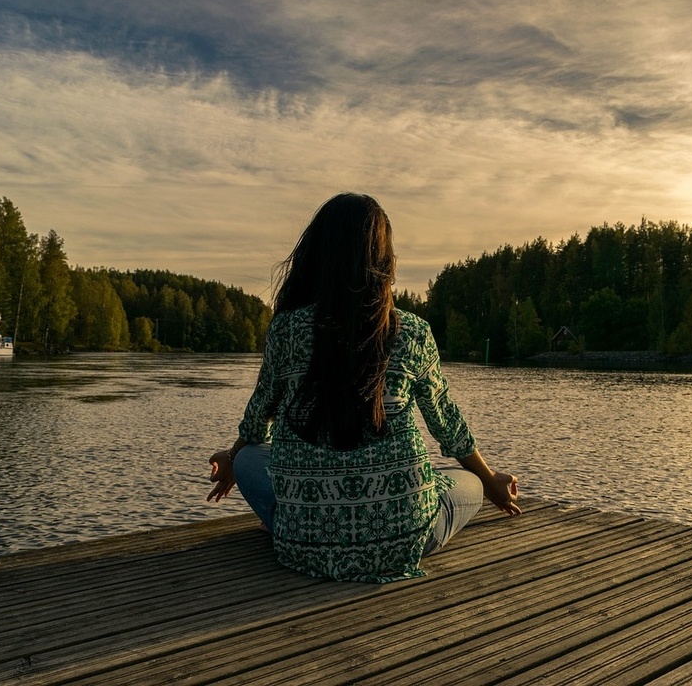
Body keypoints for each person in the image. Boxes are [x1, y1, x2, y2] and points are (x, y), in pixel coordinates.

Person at [207, 193, 520, 583]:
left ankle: (301, 523)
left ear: (316, 255)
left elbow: (258, 419)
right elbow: (447, 426)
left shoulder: (286, 329)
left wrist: (234, 457)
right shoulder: (413, 332)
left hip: (303, 547)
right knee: (468, 481)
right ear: (384, 261)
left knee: (252, 457)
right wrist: (491, 482)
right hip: (404, 539)